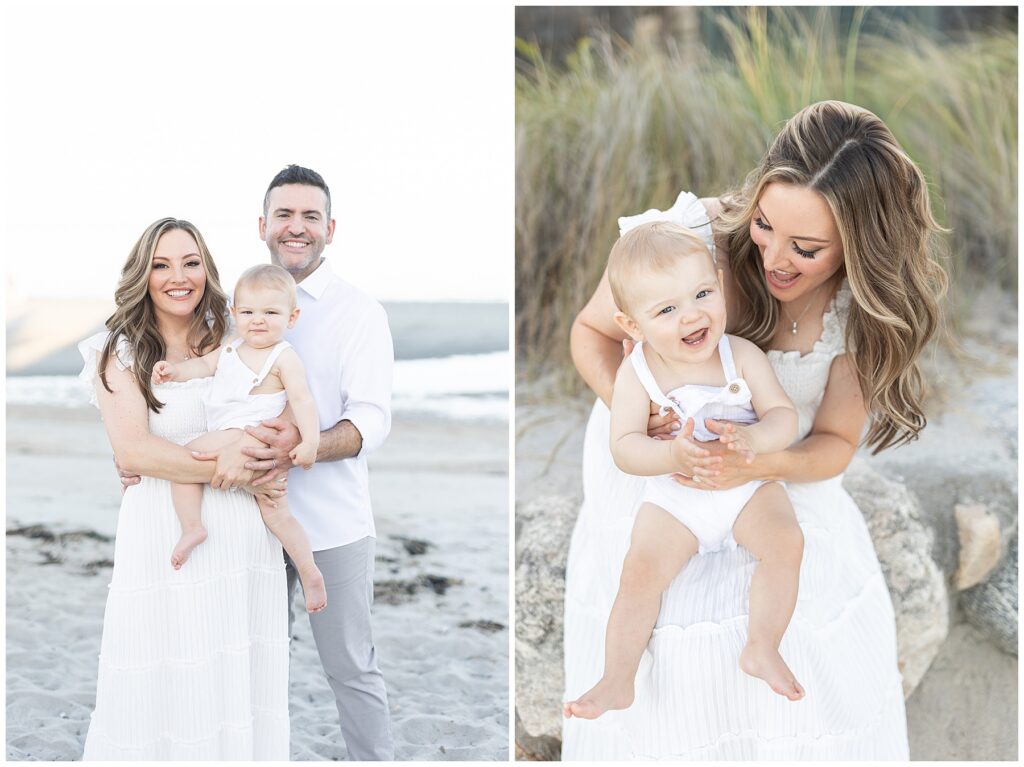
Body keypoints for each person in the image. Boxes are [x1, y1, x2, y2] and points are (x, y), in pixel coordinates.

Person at [564, 100, 946, 760]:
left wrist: (756, 463)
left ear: (862, 246)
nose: (772, 255)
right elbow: (590, 332)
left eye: (806, 248)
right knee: (670, 613)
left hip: (774, 463)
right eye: (765, 225)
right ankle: (620, 686)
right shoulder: (684, 242)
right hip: (657, 463)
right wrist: (648, 410)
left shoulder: (858, 315)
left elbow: (828, 445)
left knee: (796, 606)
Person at [563, 222, 804, 722]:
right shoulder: (639, 374)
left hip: (746, 486)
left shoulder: (740, 355)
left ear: (719, 284)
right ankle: (617, 678)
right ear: (632, 327)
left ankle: (762, 644)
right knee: (638, 573)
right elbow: (625, 447)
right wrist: (672, 456)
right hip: (677, 498)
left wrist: (757, 440)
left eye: (702, 294)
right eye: (666, 310)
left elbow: (784, 415)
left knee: (786, 542)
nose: (692, 315)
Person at [79, 218, 290, 760]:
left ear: (207, 269)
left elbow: (280, 405)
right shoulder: (116, 351)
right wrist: (234, 467)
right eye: (162, 264)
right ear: (141, 274)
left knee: (233, 673)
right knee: (160, 668)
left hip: (242, 536)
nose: (179, 276)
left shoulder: (238, 334)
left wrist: (275, 449)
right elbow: (135, 452)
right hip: (159, 532)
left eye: (191, 262)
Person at [151, 264, 327, 614]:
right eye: (247, 312)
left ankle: (192, 527)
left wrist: (310, 442)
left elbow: (303, 400)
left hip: (250, 439)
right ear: (234, 314)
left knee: (184, 460)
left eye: (270, 313)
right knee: (276, 515)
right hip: (237, 441)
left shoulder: (284, 357)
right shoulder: (232, 347)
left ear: (292, 317)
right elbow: (202, 367)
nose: (257, 320)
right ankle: (310, 572)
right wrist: (176, 371)